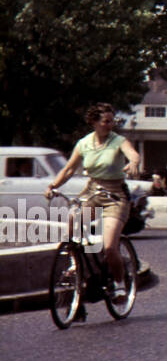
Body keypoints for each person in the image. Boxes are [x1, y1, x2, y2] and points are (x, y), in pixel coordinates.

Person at [45, 104, 141, 307]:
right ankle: (76, 266)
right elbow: (69, 170)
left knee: (109, 247)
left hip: (115, 195)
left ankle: (120, 283)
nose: (110, 125)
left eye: (112, 121)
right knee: (72, 223)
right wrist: (53, 185)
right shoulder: (84, 143)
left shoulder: (118, 141)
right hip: (92, 191)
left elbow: (132, 154)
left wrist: (133, 162)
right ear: (94, 123)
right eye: (106, 121)